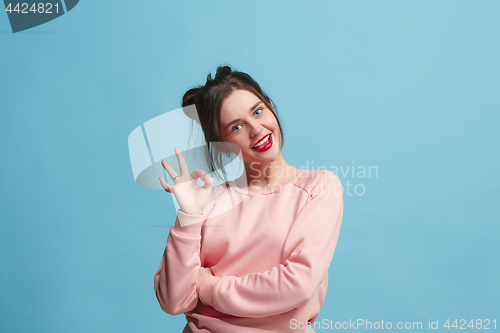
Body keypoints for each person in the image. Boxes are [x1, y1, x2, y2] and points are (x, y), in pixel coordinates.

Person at [154, 65, 344, 333]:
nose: (256, 129)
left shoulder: (318, 186)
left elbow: (298, 284)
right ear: (221, 142)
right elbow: (173, 301)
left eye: (258, 111)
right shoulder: (206, 199)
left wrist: (208, 287)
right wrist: (189, 216)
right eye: (237, 127)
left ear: (271, 107)